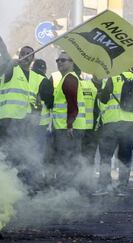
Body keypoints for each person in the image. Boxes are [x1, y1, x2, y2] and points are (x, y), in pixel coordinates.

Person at [93, 69, 133, 197]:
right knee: (125, 157)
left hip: (113, 122)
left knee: (106, 155)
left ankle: (103, 186)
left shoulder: (113, 78)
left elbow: (104, 99)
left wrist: (100, 92)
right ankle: (122, 188)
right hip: (132, 124)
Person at [51, 51, 86, 189]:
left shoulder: (70, 79)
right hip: (68, 127)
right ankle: (68, 189)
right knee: (69, 160)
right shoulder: (67, 78)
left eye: (63, 60)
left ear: (72, 63)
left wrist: (69, 125)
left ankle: (66, 189)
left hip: (68, 129)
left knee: (66, 160)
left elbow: (73, 103)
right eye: (58, 60)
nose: (59, 62)